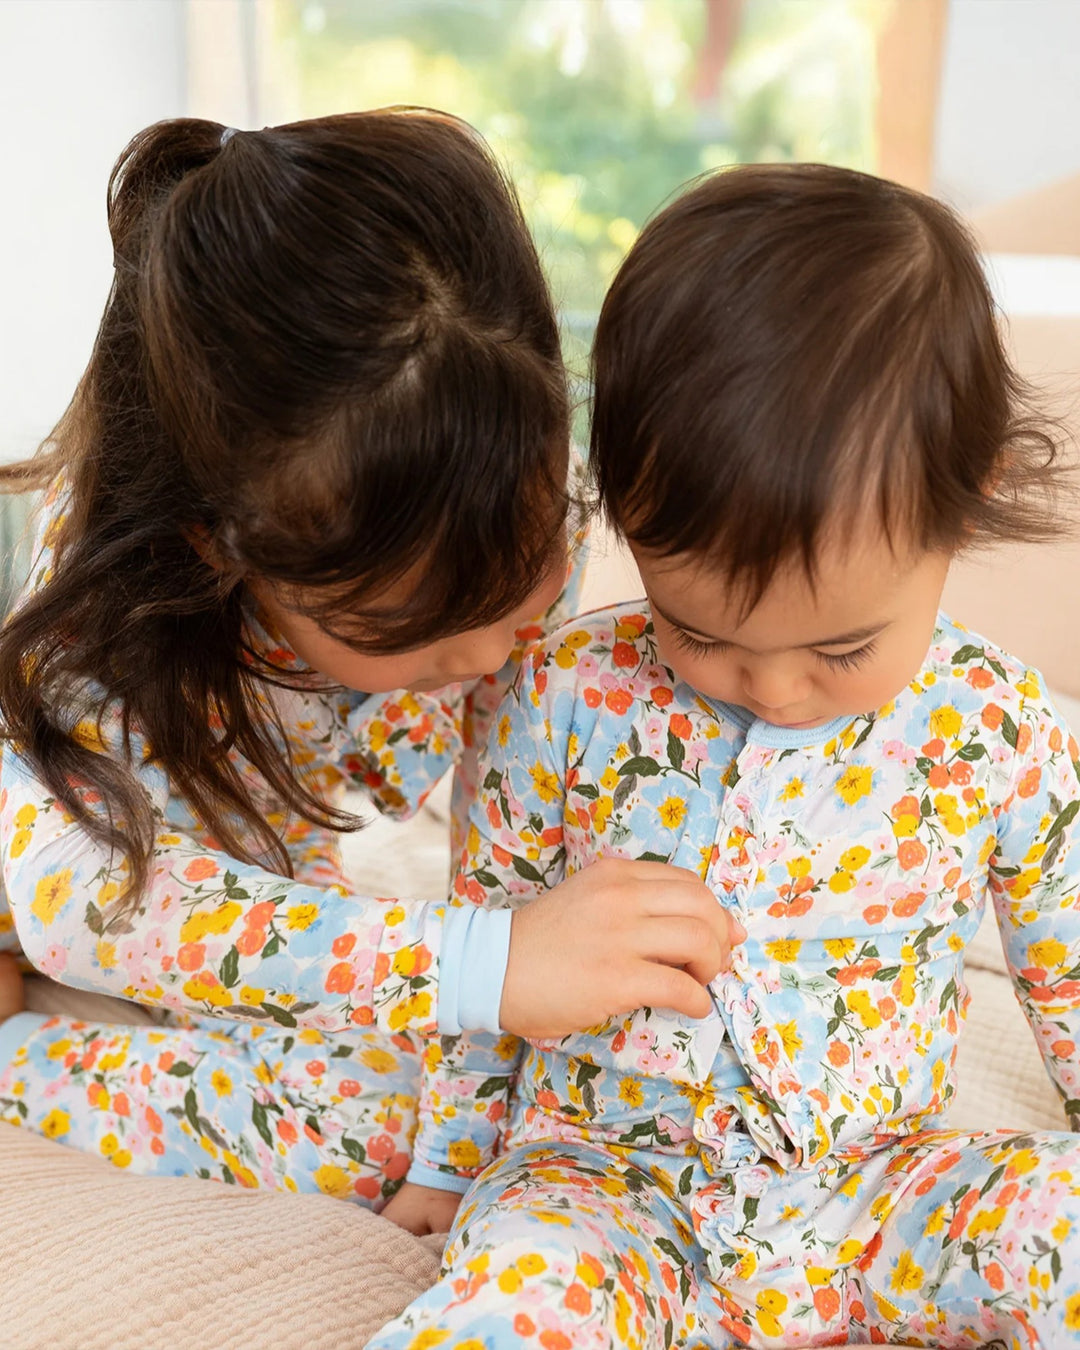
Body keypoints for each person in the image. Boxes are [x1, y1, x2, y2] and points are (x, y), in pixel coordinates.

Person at [371, 163, 1080, 1348]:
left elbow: (1068, 969)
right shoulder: (553, 694)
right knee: (512, 1302)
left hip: (869, 1194)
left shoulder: (1001, 727)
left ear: (969, 502)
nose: (775, 687)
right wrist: (450, 1162)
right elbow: (487, 942)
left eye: (842, 648)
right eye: (696, 632)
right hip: (601, 1184)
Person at [0, 112, 737, 1204]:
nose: (492, 648)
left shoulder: (515, 489)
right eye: (413, 628)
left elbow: (513, 802)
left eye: (526, 568)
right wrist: (482, 963)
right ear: (221, 550)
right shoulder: (112, 629)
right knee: (371, 1124)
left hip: (264, 822)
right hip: (89, 842)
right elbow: (97, 905)